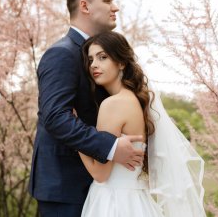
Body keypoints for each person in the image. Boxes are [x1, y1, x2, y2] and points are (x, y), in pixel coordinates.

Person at [28, 0, 145, 217]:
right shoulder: (61, 54)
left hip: (105, 188)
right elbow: (56, 117)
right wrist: (110, 146)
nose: (116, 7)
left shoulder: (100, 56)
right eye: (107, 0)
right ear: (85, 6)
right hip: (66, 188)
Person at [80, 31, 207, 217]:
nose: (94, 65)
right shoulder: (135, 100)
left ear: (121, 62)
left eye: (103, 57)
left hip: (112, 203)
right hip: (137, 202)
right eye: (91, 59)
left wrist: (76, 138)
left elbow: (100, 174)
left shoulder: (113, 104)